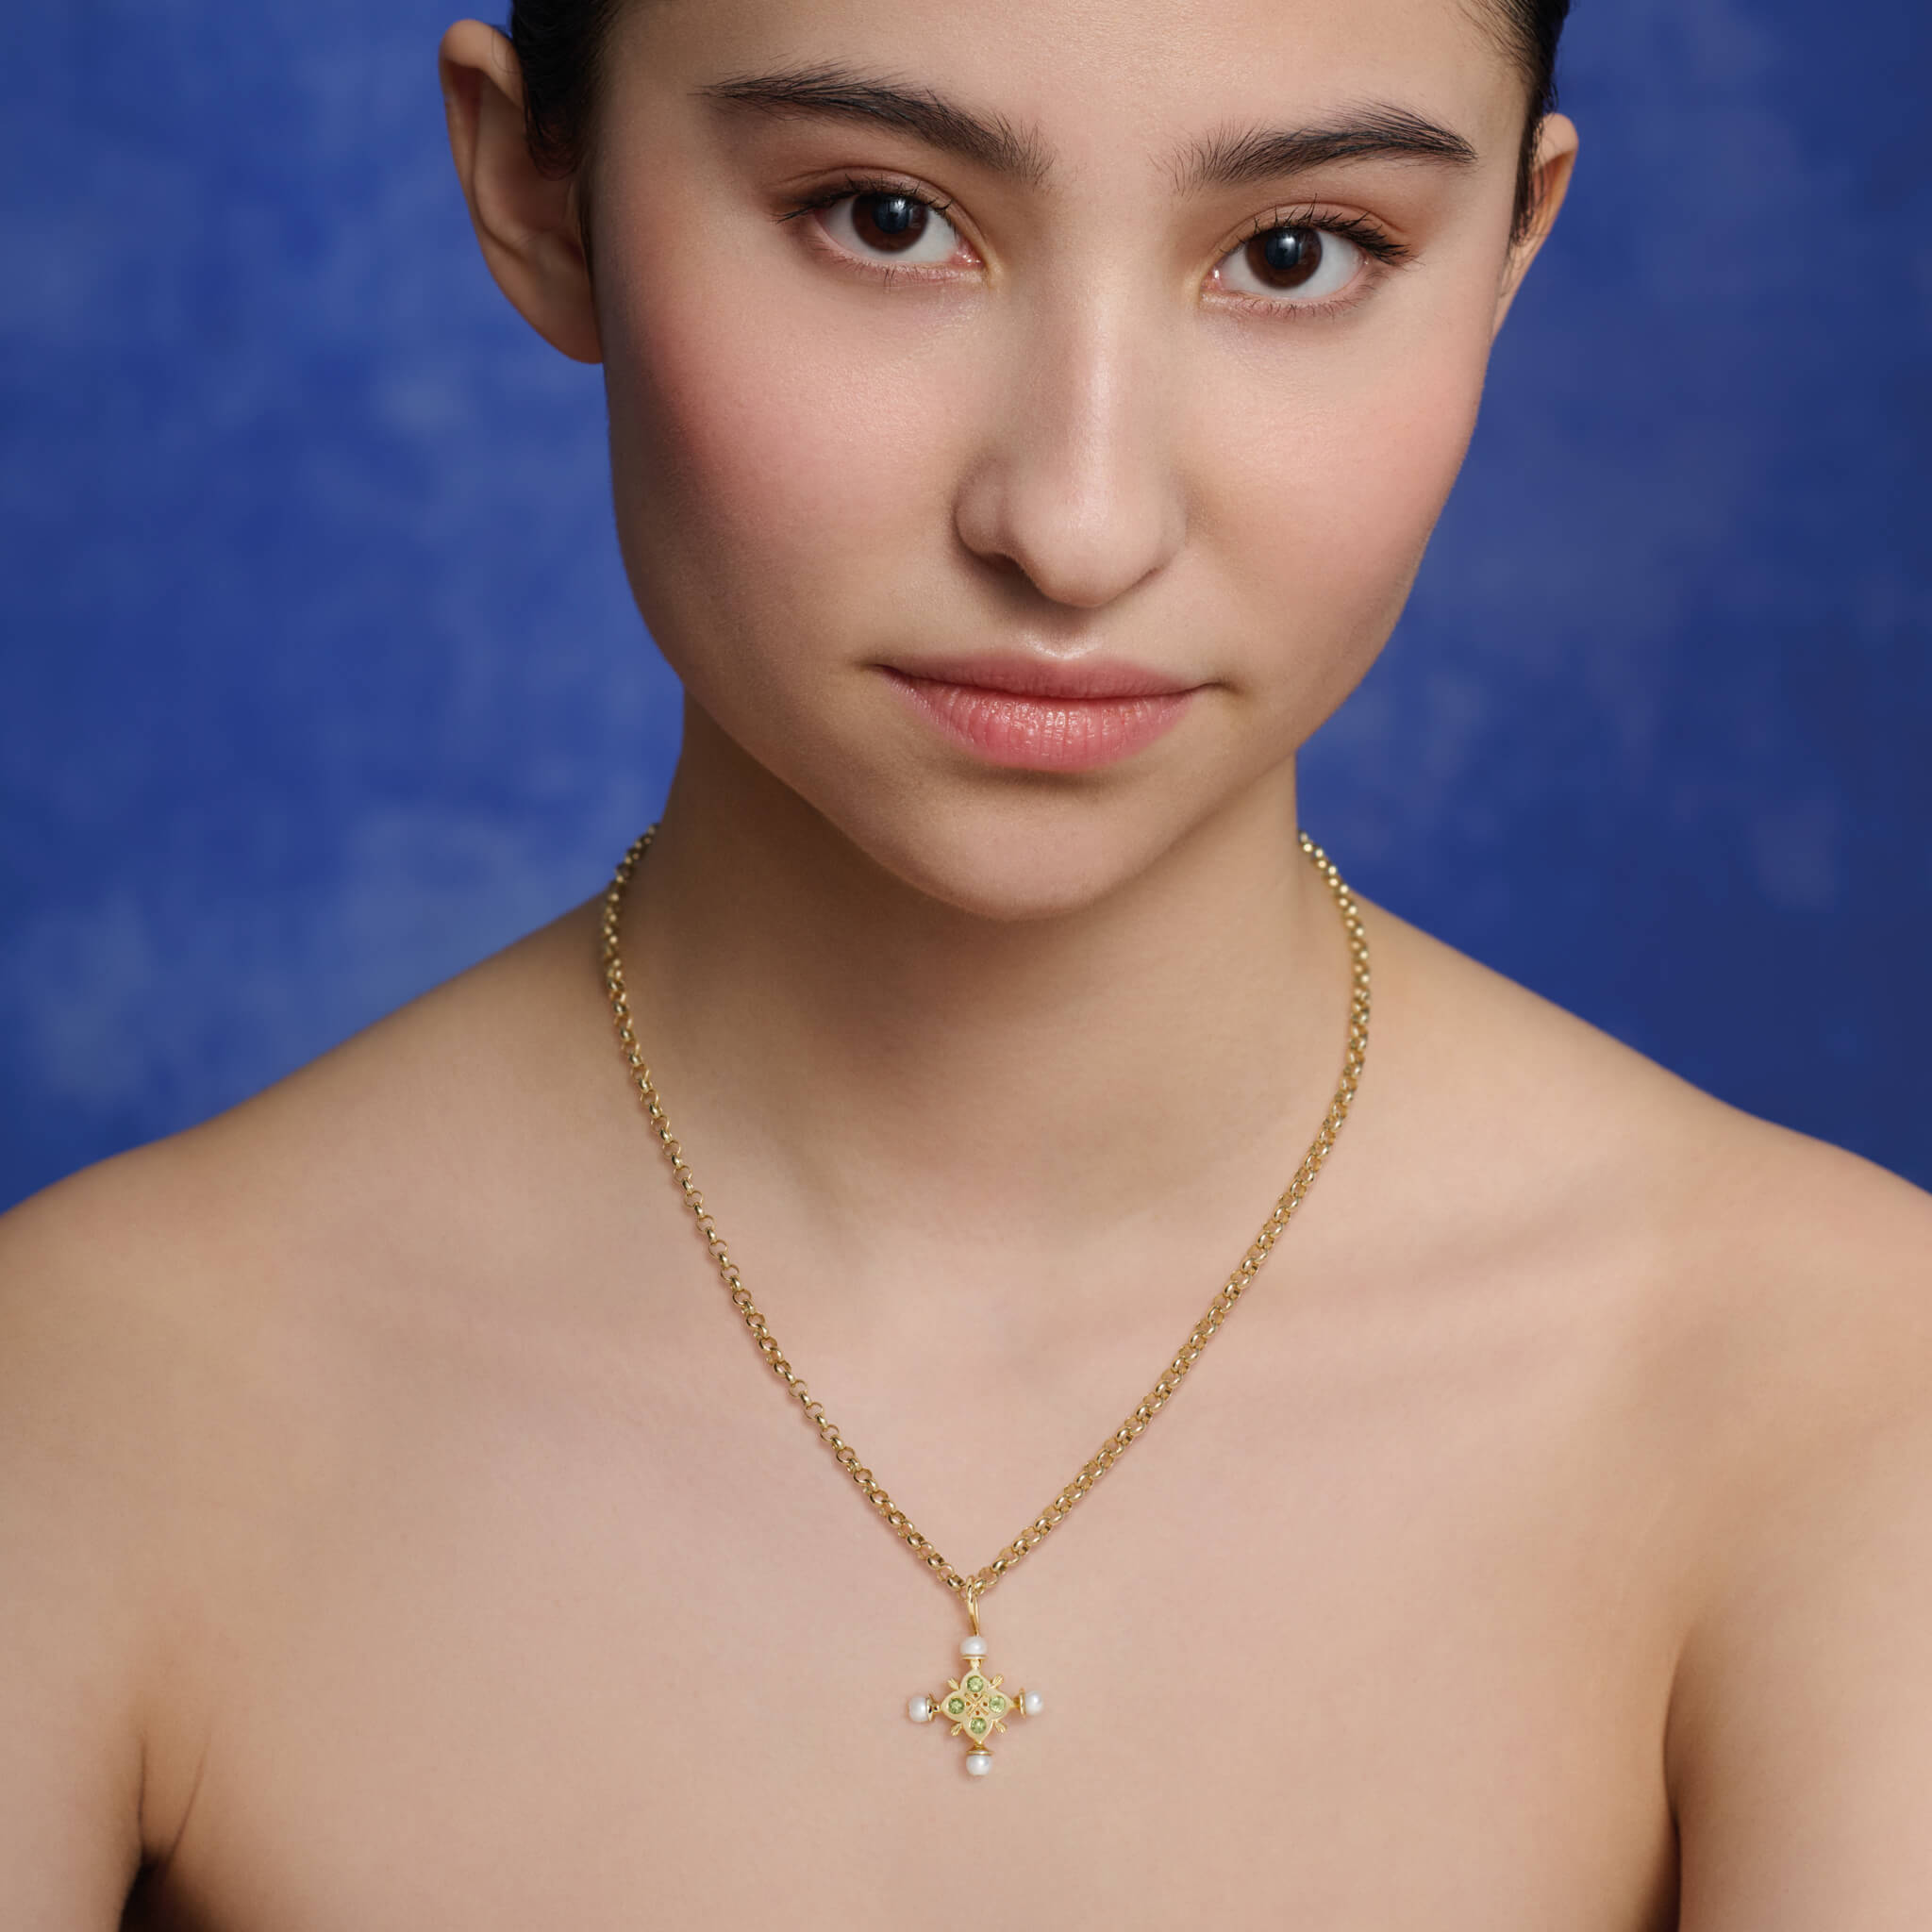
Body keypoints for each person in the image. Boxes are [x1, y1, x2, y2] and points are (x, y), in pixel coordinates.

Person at [4, 0, 1929, 1923]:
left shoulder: (1834, 1395)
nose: (1076, 523)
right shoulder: (88, 1410)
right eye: (881, 217)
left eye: (1292, 252)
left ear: (1512, 242)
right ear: (539, 189)